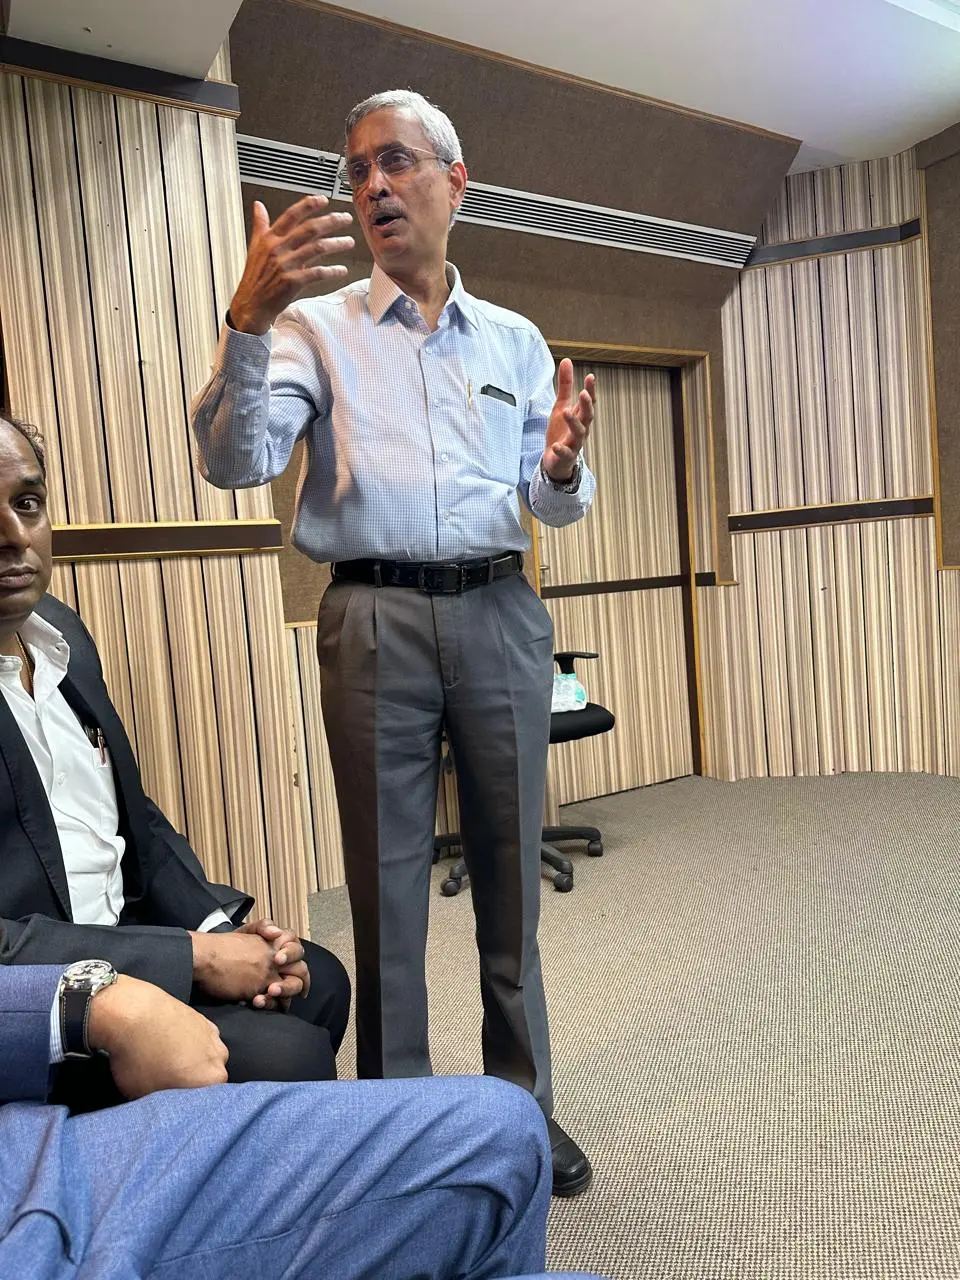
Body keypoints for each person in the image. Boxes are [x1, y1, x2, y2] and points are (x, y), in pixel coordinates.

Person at [191, 89, 597, 1196]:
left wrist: (560, 469)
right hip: (372, 617)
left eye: (397, 162)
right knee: (387, 895)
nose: (373, 184)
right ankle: (399, 1131)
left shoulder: (514, 339)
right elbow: (233, 463)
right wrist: (244, 324)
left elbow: (551, 501)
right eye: (358, 168)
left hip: (501, 610)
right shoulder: (312, 331)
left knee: (511, 883)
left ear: (455, 182)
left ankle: (521, 1112)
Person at [0, 412, 350, 1108]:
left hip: (123, 934)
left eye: (27, 503)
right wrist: (195, 958)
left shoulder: (59, 633)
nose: (13, 535)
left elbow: (136, 820)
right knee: (287, 1056)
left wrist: (221, 932)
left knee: (318, 980)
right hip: (45, 999)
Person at [0, 958, 605, 1279]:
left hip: (34, 1157)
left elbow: (149, 844)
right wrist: (148, 975)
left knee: (503, 1126)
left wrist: (216, 936)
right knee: (286, 1052)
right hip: (35, 1241)